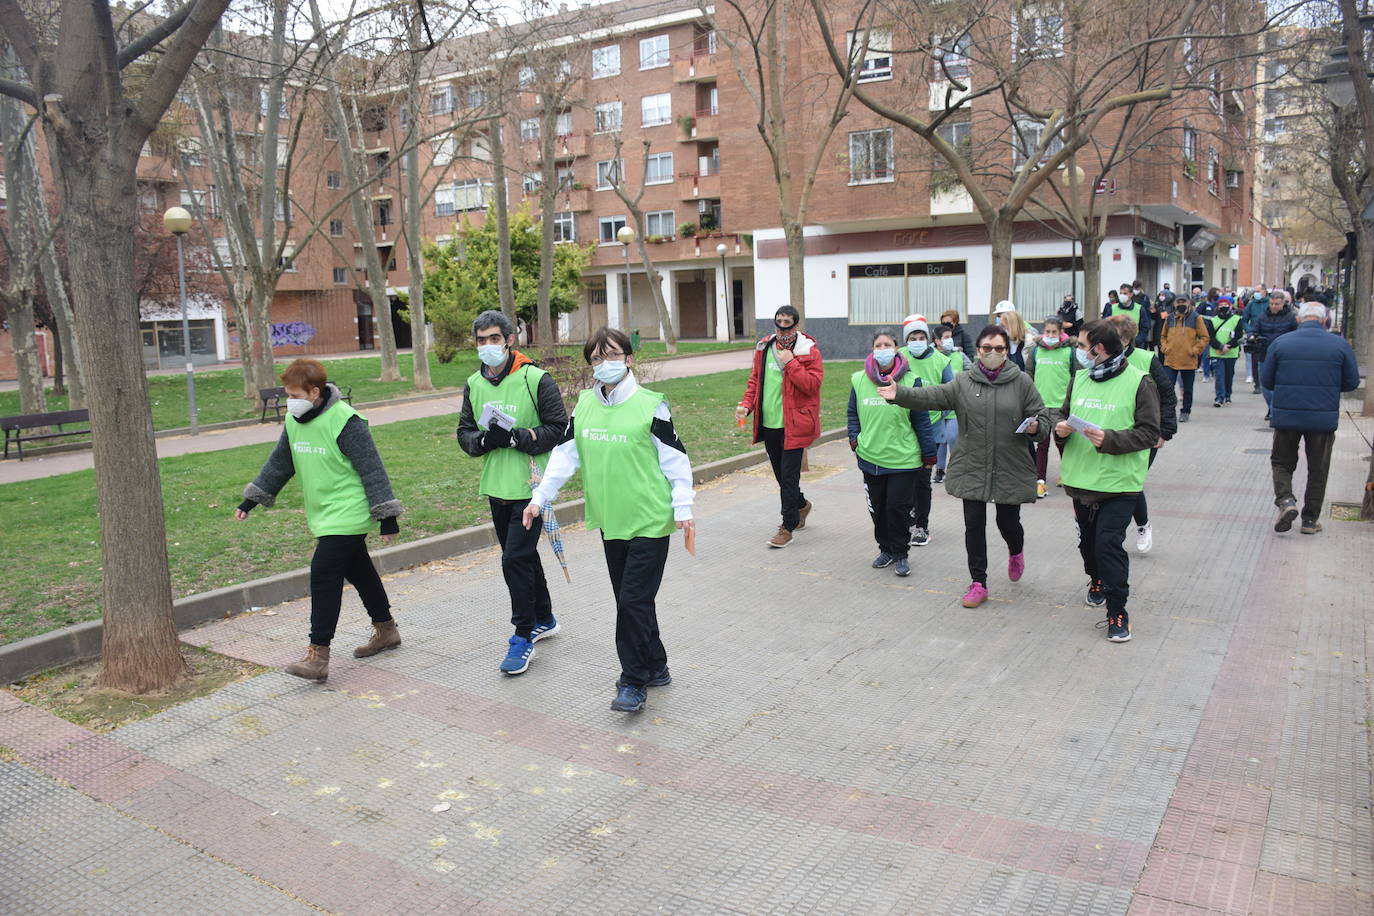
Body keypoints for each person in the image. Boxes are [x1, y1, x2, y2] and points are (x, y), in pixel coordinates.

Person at [524, 328, 695, 713]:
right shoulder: (584, 405)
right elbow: (565, 456)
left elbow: (676, 460)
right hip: (610, 519)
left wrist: (683, 508)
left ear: (630, 359)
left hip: (650, 518)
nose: (604, 364)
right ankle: (656, 664)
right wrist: (539, 499)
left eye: (612, 355)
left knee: (632, 600)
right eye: (596, 359)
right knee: (631, 599)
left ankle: (633, 680)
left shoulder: (652, 405)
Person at [235, 358, 403, 681]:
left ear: (315, 392)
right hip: (324, 513)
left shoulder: (346, 421)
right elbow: (280, 464)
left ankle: (318, 655)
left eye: (294, 394)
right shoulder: (295, 422)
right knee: (360, 570)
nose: (290, 401)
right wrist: (251, 500)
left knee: (324, 573)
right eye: (287, 394)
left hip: (349, 511)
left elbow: (372, 468)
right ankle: (386, 629)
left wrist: (387, 516)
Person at [877, 325, 1049, 609]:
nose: (993, 354)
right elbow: (931, 397)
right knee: (974, 524)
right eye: (987, 348)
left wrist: (1035, 427)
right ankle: (978, 582)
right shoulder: (963, 382)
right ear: (978, 351)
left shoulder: (1021, 382)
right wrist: (900, 394)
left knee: (1008, 522)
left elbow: (1042, 418)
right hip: (973, 465)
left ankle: (1015, 551)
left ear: (1006, 351)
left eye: (999, 349)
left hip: (1009, 465)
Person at [456, 310, 569, 676]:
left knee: (513, 560)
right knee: (520, 555)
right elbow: (464, 434)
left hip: (531, 488)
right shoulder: (474, 383)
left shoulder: (535, 379)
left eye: (493, 339)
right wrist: (485, 440)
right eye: (481, 340)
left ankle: (522, 636)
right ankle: (545, 617)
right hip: (496, 487)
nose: (487, 346)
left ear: (509, 340)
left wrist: (520, 437)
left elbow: (559, 428)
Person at [1054, 321, 1161, 642]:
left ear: (1099, 349)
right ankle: (1095, 578)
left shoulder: (1140, 382)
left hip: (1119, 483)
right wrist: (1060, 431)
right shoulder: (1080, 378)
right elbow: (1064, 415)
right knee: (1088, 544)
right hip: (1081, 480)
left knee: (1108, 545)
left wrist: (1110, 439)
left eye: (1082, 345)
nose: (1079, 352)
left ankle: (1118, 611)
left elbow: (1149, 432)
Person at [1261, 298, 1360, 535]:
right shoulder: (1339, 345)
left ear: (1298, 319)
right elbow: (1352, 382)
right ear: (1324, 320)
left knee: (1282, 462)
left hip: (1287, 416)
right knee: (1318, 468)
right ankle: (1309, 520)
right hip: (1322, 420)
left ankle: (1286, 501)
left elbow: (1266, 380)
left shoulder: (1281, 343)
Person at [847, 329, 937, 577]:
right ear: (872, 349)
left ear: (896, 348)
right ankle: (885, 549)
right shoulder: (858, 380)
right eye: (878, 344)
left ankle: (900, 554)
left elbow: (922, 420)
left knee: (897, 508)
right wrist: (855, 441)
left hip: (903, 459)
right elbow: (852, 414)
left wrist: (929, 455)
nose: (883, 348)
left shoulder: (911, 380)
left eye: (887, 344)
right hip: (871, 458)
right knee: (877, 508)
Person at [736, 305, 823, 548]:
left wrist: (792, 363)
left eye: (787, 322)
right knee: (781, 477)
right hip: (770, 423)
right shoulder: (765, 347)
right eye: (778, 321)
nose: (782, 326)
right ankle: (802, 505)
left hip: (795, 424)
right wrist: (746, 405)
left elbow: (812, 385)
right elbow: (755, 380)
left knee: (788, 477)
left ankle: (787, 527)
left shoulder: (808, 349)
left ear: (796, 325)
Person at [1107, 315, 1178, 554]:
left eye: (1115, 338)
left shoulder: (1146, 359)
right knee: (1113, 481)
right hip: (1112, 431)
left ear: (1127, 340)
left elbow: (1168, 396)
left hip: (1144, 434)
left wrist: (1164, 432)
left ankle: (1142, 525)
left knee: (1131, 481)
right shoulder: (1100, 359)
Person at [900, 315, 953, 545]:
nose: (917, 341)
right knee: (906, 478)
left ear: (929, 339)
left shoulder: (941, 360)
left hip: (930, 428)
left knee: (923, 479)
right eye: (913, 337)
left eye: (921, 337)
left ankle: (922, 526)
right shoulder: (899, 356)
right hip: (903, 427)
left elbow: (950, 393)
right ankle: (910, 516)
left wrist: (939, 414)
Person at [1026, 316, 1072, 498]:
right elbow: (1028, 375)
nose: (1050, 335)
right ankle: (1040, 482)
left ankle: (1067, 475)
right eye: (1048, 332)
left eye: (1054, 332)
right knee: (1042, 446)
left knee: (1063, 444)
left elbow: (1076, 377)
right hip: (1041, 407)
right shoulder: (1036, 352)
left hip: (1062, 408)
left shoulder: (1070, 352)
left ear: (1061, 333)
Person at [1159, 294, 1210, 423]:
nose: (1181, 304)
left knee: (1187, 388)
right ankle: (1168, 412)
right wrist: (1165, 348)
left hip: (1188, 360)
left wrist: (1195, 350)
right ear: (1175, 304)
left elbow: (1204, 337)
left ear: (1189, 303)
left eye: (1184, 302)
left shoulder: (1196, 318)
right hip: (1171, 359)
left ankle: (1185, 411)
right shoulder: (1170, 318)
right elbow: (1163, 336)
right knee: (1168, 387)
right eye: (1178, 302)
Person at [1249, 291, 1298, 420]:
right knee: (1265, 386)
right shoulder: (1262, 316)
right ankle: (1272, 408)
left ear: (1283, 303)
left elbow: (1297, 334)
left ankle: (1275, 411)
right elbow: (1254, 330)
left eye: (1277, 304)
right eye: (1271, 303)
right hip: (1265, 355)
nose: (1274, 306)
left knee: (1280, 386)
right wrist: (1252, 336)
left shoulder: (1291, 317)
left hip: (1284, 358)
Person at [933, 323, 968, 483]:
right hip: (939, 405)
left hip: (955, 405)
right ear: (937, 341)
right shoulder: (933, 357)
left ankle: (956, 468)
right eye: (946, 337)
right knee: (941, 439)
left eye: (950, 337)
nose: (950, 340)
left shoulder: (959, 356)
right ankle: (940, 469)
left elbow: (971, 371)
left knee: (952, 436)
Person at [1206, 294, 1244, 406]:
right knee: (1219, 376)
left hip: (1231, 353)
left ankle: (1228, 394)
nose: (1223, 306)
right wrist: (1220, 347)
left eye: (1225, 304)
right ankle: (1219, 397)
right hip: (1216, 353)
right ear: (1217, 307)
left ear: (1230, 306)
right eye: (1221, 304)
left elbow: (1238, 336)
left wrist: (1228, 346)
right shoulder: (1213, 320)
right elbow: (1210, 337)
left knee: (1229, 375)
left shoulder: (1236, 319)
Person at [991, 300, 1034, 369]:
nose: (1000, 318)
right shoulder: (998, 337)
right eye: (998, 315)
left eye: (1002, 315)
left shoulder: (1030, 340)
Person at [1243, 285, 1270, 389]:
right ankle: (1257, 384)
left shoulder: (1269, 303)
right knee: (1255, 360)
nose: (1256, 293)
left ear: (1265, 291)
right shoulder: (1251, 305)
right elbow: (1244, 320)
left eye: (1258, 291)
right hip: (1255, 336)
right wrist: (1250, 332)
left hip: (1268, 335)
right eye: (1255, 291)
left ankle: (1266, 383)